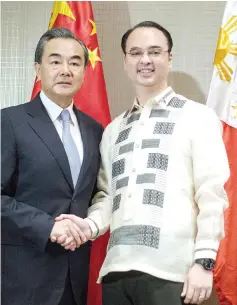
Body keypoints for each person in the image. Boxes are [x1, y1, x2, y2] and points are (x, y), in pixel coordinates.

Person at [55, 21, 230, 305]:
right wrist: (87, 226)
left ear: (169, 58)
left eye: (155, 52)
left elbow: (212, 194)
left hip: (173, 273)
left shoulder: (197, 117)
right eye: (135, 53)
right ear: (125, 61)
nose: (145, 60)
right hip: (116, 272)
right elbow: (108, 198)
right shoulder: (113, 130)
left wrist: (204, 261)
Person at [1, 27, 103, 305]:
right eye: (55, 61)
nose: (66, 70)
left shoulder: (95, 130)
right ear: (38, 68)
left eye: (75, 62)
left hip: (75, 275)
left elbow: (95, 195)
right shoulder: (9, 122)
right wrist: (47, 226)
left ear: (84, 71)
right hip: (23, 278)